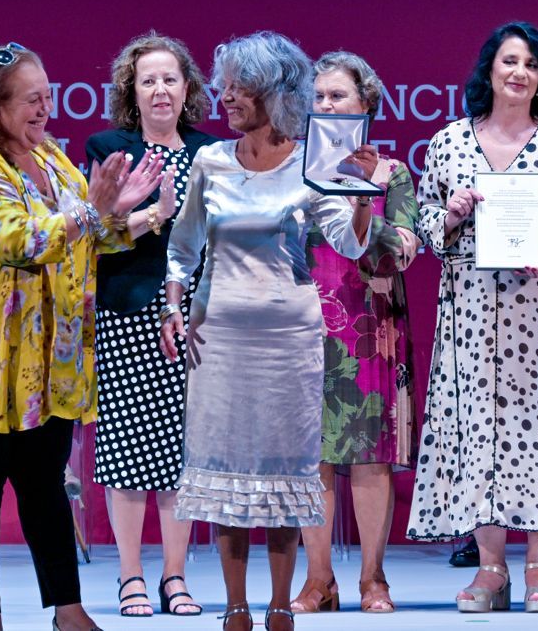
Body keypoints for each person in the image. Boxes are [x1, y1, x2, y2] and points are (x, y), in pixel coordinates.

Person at [0, 44, 162, 631]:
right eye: (30, 101)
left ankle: (68, 609)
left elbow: (84, 232)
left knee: (46, 484)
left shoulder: (49, 157)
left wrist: (120, 214)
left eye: (47, 97)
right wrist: (93, 211)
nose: (44, 110)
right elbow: (21, 239)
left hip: (46, 359)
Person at [159, 32, 373, 631]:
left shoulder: (312, 161)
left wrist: (361, 193)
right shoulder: (210, 161)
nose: (225, 97)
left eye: (240, 87)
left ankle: (280, 607)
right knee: (225, 476)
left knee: (282, 477)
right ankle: (235, 607)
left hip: (288, 344)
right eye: (224, 86)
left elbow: (350, 242)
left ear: (275, 93)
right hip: (218, 340)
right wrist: (173, 306)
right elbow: (183, 246)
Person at [405, 21, 538, 615]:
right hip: (471, 316)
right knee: (479, 435)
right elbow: (424, 226)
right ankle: (491, 570)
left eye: (530, 64)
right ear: (489, 71)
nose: (519, 72)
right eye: (509, 61)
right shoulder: (448, 142)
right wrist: (449, 216)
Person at [85, 34, 215, 618]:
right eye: (148, 80)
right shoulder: (109, 148)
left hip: (196, 317)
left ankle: (176, 576)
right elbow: (96, 233)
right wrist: (154, 215)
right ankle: (131, 576)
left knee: (182, 453)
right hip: (128, 311)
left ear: (187, 89)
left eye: (170, 79)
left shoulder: (212, 153)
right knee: (128, 451)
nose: (160, 89)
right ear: (131, 91)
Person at [290, 51, 421, 615]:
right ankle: (318, 581)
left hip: (370, 327)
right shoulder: (292, 170)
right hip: (302, 326)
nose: (326, 105)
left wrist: (364, 194)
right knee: (311, 459)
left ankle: (373, 578)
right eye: (318, 97)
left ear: (365, 104)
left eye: (337, 95)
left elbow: (403, 252)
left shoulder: (393, 174)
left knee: (371, 458)